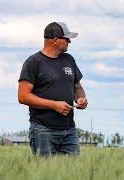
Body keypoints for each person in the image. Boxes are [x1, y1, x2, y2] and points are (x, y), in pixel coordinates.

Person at [18, 22, 88, 156]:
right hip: (43, 130)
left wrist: (80, 98)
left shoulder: (69, 59)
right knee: (45, 173)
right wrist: (54, 105)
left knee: (75, 173)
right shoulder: (34, 62)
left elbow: (77, 86)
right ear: (55, 40)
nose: (69, 42)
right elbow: (23, 96)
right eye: (66, 38)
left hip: (69, 130)